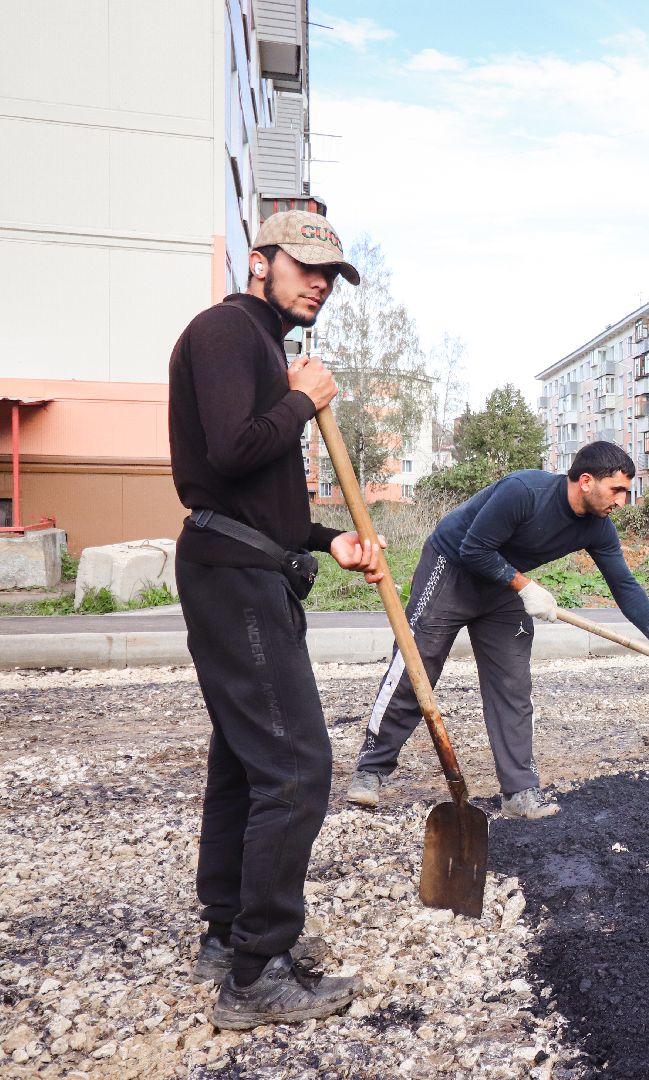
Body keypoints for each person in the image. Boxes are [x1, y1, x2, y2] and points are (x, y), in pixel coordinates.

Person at [168, 210, 385, 1028]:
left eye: (331, 275)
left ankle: (228, 936)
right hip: (233, 576)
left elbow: (261, 498)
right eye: (307, 267)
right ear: (260, 262)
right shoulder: (228, 331)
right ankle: (258, 973)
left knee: (247, 761)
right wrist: (299, 401)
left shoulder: (265, 347)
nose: (321, 284)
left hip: (253, 564)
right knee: (297, 769)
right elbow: (228, 453)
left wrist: (330, 541)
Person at [345, 441, 649, 816]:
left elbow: (625, 587)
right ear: (587, 481)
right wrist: (526, 587)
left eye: (627, 491)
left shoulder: (598, 528)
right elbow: (472, 549)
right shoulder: (524, 492)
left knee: (513, 686)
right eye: (617, 490)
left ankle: (519, 793)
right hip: (452, 568)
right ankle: (370, 771)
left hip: (502, 585)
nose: (622, 501)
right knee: (416, 667)